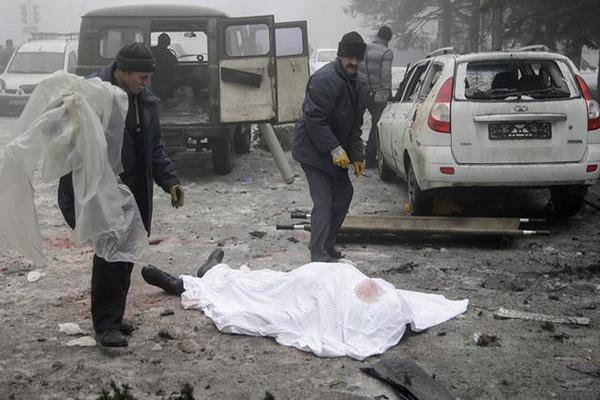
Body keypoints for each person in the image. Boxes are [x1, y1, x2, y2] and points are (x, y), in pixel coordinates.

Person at [57, 42, 185, 347]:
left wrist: (170, 181)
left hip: (133, 188)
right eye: (141, 76)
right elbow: (65, 137)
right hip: (100, 189)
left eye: (149, 77)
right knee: (109, 255)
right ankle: (106, 326)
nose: (147, 82)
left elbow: (154, 147)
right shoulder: (91, 96)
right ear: (121, 71)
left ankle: (114, 316)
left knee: (124, 254)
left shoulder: (145, 100)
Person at [140, 249, 469, 360]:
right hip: (321, 277)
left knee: (260, 303)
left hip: (313, 292)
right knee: (265, 283)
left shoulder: (377, 319)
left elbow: (329, 323)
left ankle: (186, 281)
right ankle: (210, 271)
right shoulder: (394, 299)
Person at [292, 31, 368, 263]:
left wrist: (358, 155)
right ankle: (318, 254)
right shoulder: (326, 79)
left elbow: (356, 126)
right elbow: (314, 118)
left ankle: (327, 243)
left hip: (335, 151)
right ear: (340, 54)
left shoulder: (359, 85)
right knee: (324, 200)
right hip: (312, 149)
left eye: (357, 58)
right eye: (349, 57)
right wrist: (334, 148)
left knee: (344, 193)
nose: (353, 62)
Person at [359, 26, 393, 168]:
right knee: (375, 125)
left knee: (355, 122)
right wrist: (387, 92)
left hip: (362, 91)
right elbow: (385, 74)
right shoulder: (387, 52)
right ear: (388, 39)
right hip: (377, 94)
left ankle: (350, 153)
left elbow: (359, 69)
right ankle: (370, 158)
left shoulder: (366, 48)